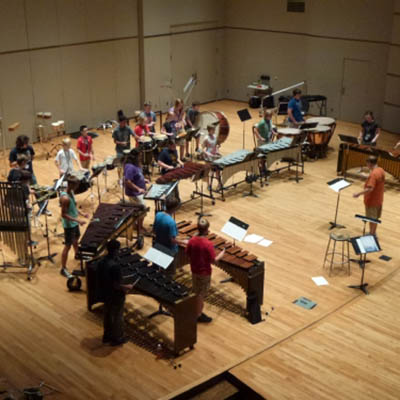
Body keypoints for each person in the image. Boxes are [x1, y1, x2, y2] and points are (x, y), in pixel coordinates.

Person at [186, 218, 225, 323]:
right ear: (207, 230)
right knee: (200, 294)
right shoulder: (208, 244)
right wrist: (222, 254)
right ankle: (198, 314)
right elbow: (214, 260)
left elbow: (188, 253)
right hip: (204, 272)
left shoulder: (192, 240)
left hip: (194, 270)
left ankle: (197, 310)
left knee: (196, 291)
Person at [99, 239, 136, 346]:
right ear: (116, 251)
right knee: (117, 316)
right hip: (115, 295)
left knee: (107, 315)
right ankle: (117, 338)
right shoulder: (115, 266)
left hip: (104, 292)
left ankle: (107, 335)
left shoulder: (102, 261)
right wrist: (127, 287)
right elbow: (116, 285)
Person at [60, 175, 88, 277]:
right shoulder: (65, 198)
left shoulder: (71, 192)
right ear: (71, 185)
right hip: (69, 225)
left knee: (76, 239)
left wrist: (82, 214)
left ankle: (77, 254)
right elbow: (63, 214)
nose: (77, 187)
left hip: (74, 223)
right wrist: (77, 220)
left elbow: (74, 208)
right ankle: (63, 268)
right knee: (67, 246)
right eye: (76, 185)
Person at [153, 197, 186, 276]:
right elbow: (173, 240)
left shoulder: (158, 214)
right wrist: (183, 241)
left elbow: (154, 230)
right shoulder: (171, 222)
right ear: (175, 208)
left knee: (158, 269)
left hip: (158, 246)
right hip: (169, 250)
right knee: (169, 274)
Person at [353, 155, 385, 235]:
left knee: (371, 219)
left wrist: (358, 194)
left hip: (372, 200)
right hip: (379, 199)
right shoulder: (381, 170)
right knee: (375, 218)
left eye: (367, 164)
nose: (366, 166)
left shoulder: (373, 174)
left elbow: (370, 189)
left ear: (370, 163)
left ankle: (372, 234)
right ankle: (373, 232)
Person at [123, 150, 150, 234]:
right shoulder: (130, 167)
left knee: (140, 210)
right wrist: (138, 189)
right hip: (134, 194)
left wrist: (143, 179)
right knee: (142, 210)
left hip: (139, 193)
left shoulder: (135, 165)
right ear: (135, 157)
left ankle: (137, 225)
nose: (141, 158)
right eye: (139, 156)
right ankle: (139, 228)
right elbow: (127, 181)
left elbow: (137, 175)